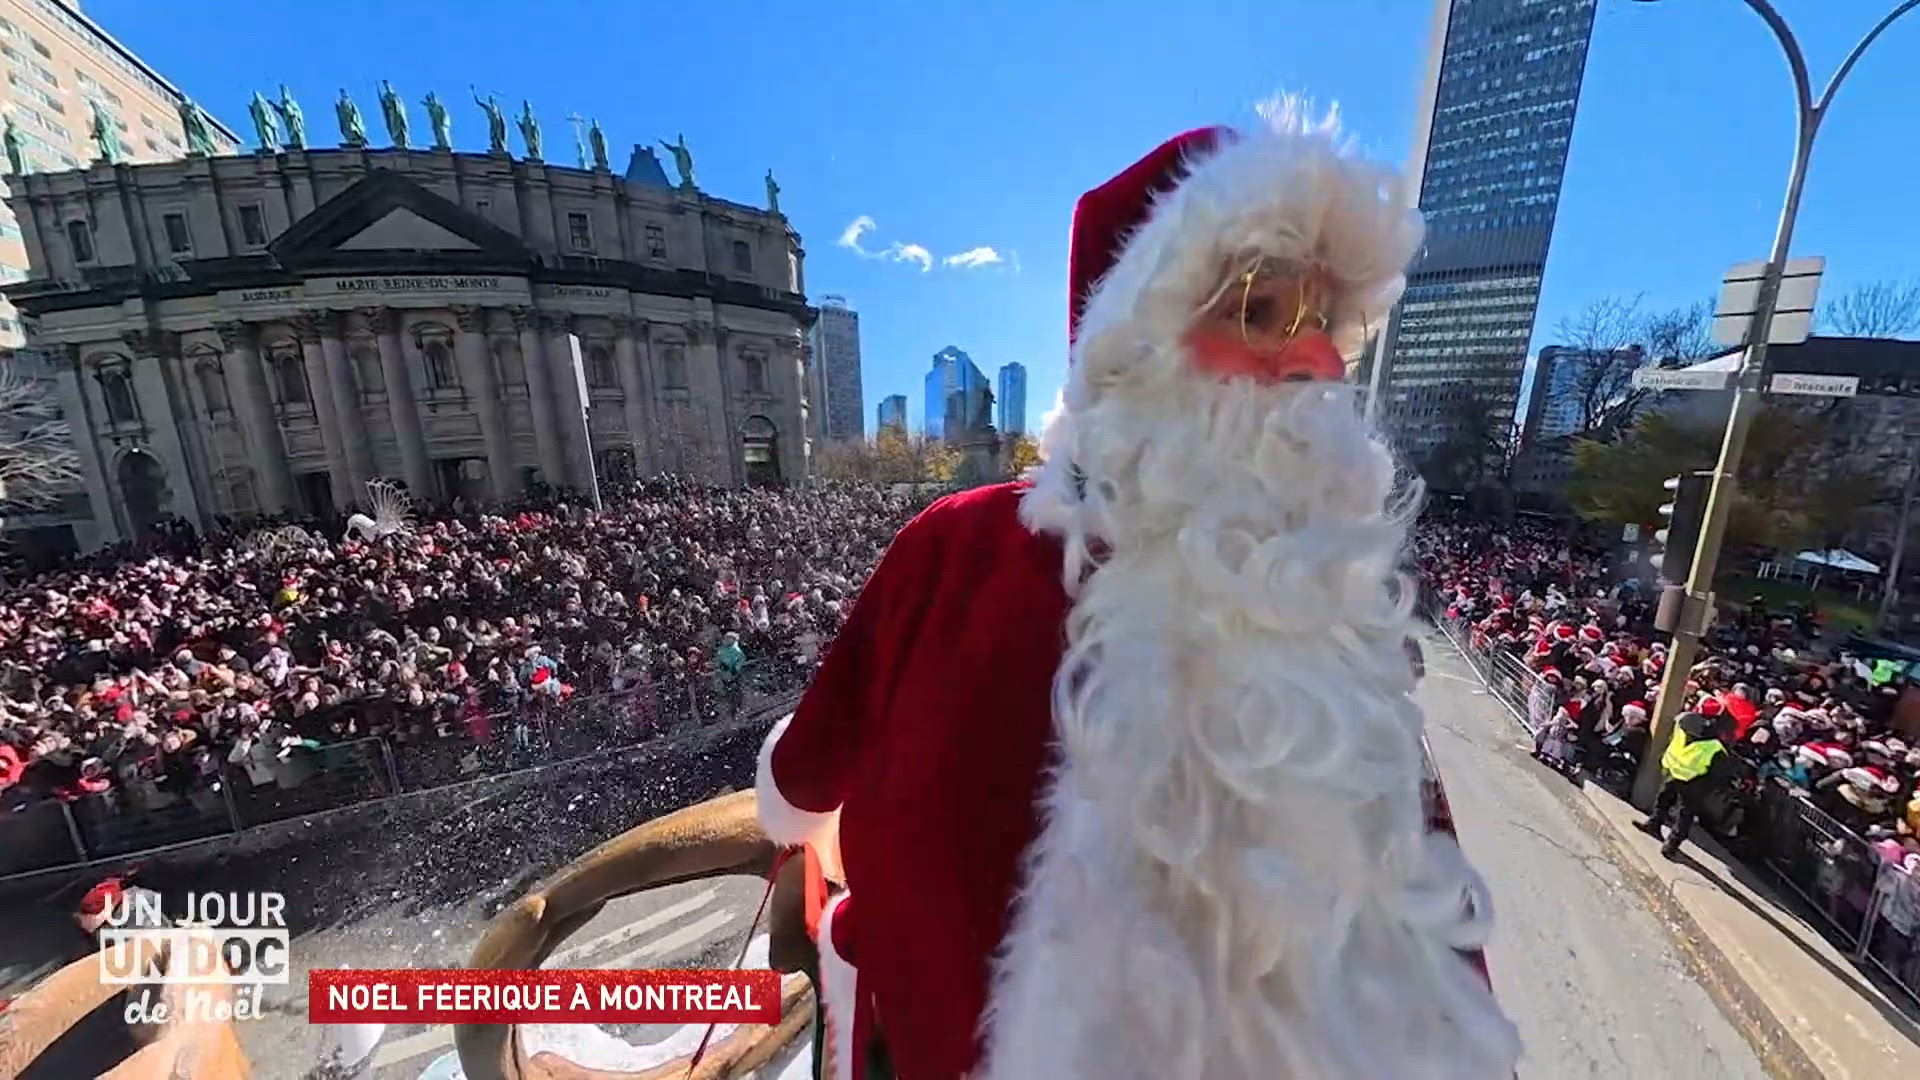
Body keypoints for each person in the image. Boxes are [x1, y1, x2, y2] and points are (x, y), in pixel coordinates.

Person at [756, 101, 1519, 1080]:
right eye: (1259, 310)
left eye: (1326, 320)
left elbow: (799, 782)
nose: (1321, 359)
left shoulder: (1332, 629)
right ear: (1133, 346)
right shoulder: (956, 552)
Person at [1636, 698, 1738, 860]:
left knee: (1672, 804)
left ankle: (1663, 835)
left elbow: (1674, 742)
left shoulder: (1685, 722)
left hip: (1681, 773)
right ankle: (1665, 837)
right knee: (1683, 812)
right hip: (1692, 777)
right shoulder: (1718, 739)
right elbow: (1718, 771)